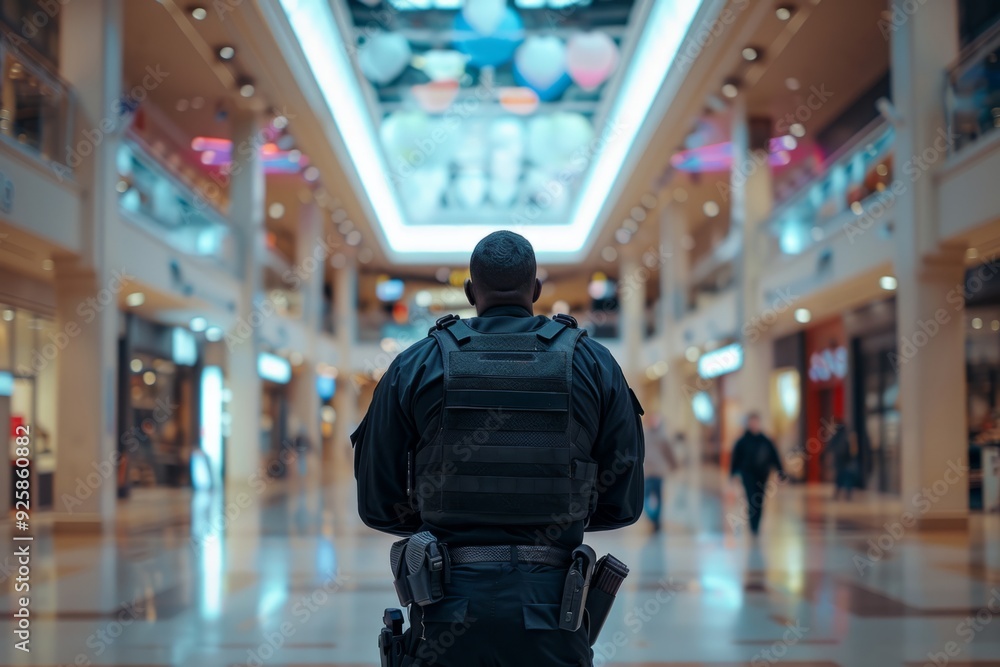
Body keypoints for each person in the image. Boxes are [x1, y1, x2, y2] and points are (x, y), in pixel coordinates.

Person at [353, 230, 644, 667]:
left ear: (470, 292)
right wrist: (554, 514)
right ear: (537, 290)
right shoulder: (593, 363)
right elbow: (623, 503)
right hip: (554, 613)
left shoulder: (416, 364)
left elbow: (378, 503)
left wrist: (447, 518)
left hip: (444, 610)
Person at [729, 412, 785, 536]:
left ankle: (757, 524)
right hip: (747, 474)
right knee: (751, 498)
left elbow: (774, 457)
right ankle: (753, 525)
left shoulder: (765, 440)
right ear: (748, 424)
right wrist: (733, 474)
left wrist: (780, 471)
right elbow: (735, 459)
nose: (754, 424)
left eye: (756, 422)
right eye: (752, 422)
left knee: (759, 499)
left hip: (762, 474)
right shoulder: (742, 441)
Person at [642, 415, 676, 531]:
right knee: (648, 497)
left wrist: (674, 464)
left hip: (655, 472)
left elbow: (669, 453)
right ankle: (654, 518)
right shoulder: (646, 436)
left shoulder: (660, 437)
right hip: (650, 472)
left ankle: (655, 519)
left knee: (655, 497)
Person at [826, 421, 858, 500]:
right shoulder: (849, 435)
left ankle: (838, 493)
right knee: (847, 477)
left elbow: (831, 447)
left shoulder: (837, 436)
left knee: (840, 477)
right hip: (848, 460)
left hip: (840, 460)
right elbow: (854, 449)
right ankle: (848, 494)